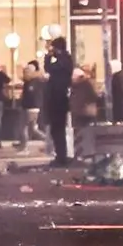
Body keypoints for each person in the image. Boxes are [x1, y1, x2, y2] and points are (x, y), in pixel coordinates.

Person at [42, 37, 75, 166]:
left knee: (58, 130)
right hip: (58, 98)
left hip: (58, 99)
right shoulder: (65, 60)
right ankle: (60, 156)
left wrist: (48, 57)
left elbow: (50, 68)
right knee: (57, 130)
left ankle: (61, 157)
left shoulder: (64, 61)